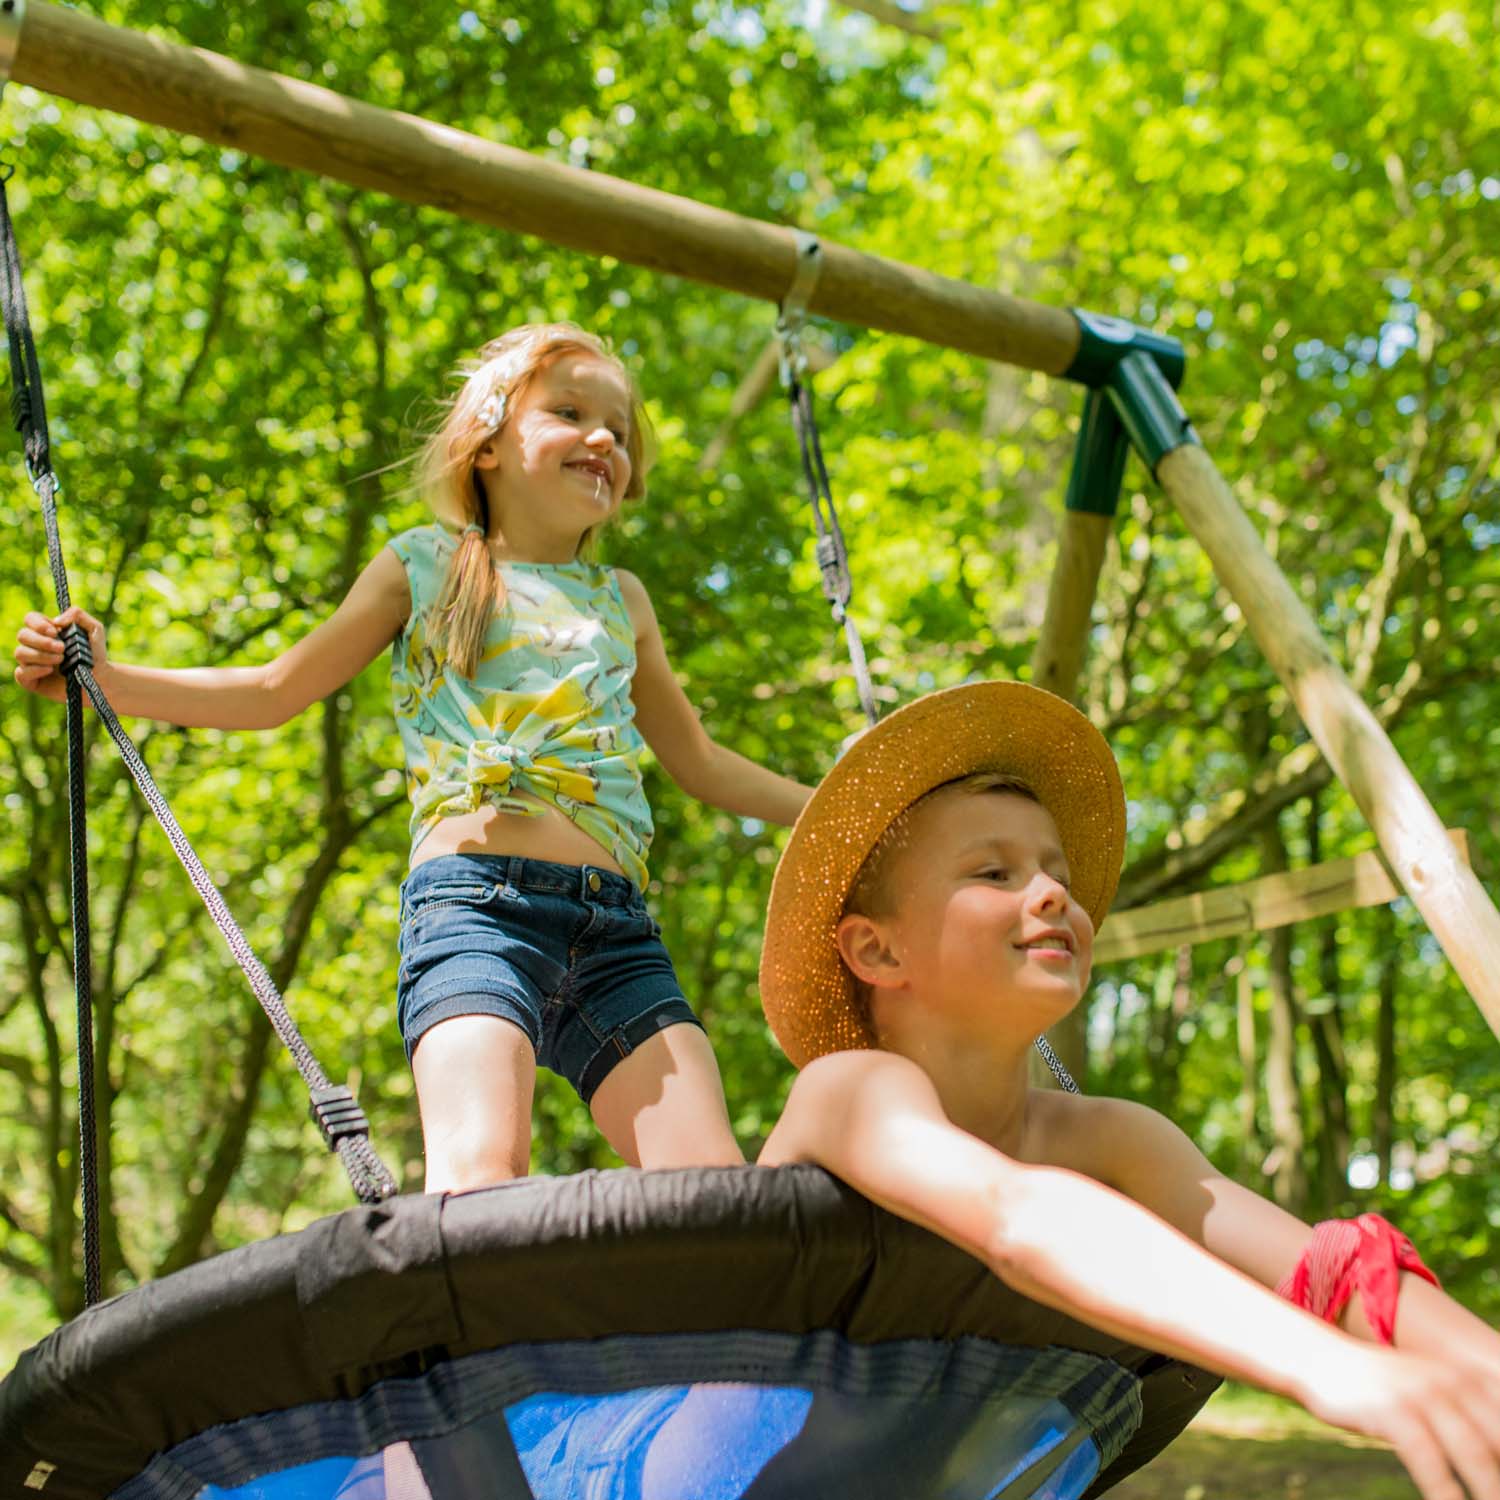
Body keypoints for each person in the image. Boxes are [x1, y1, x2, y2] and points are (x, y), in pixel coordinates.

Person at [14, 322, 810, 1193]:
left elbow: (699, 762)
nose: (603, 439)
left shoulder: (623, 601)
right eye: (571, 412)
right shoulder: (427, 568)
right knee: (479, 1176)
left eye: (620, 430)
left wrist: (836, 804)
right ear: (490, 442)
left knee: (709, 1182)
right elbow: (277, 688)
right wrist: (112, 681)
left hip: (615, 929)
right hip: (476, 911)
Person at [757, 679, 1500, 1500]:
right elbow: (1015, 1215)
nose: (1051, 893)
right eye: (994, 872)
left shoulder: (1110, 1140)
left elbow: (1321, 1269)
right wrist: (1328, 1369)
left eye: (1056, 873)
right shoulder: (849, 1091)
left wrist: (1483, 1372)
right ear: (878, 952)